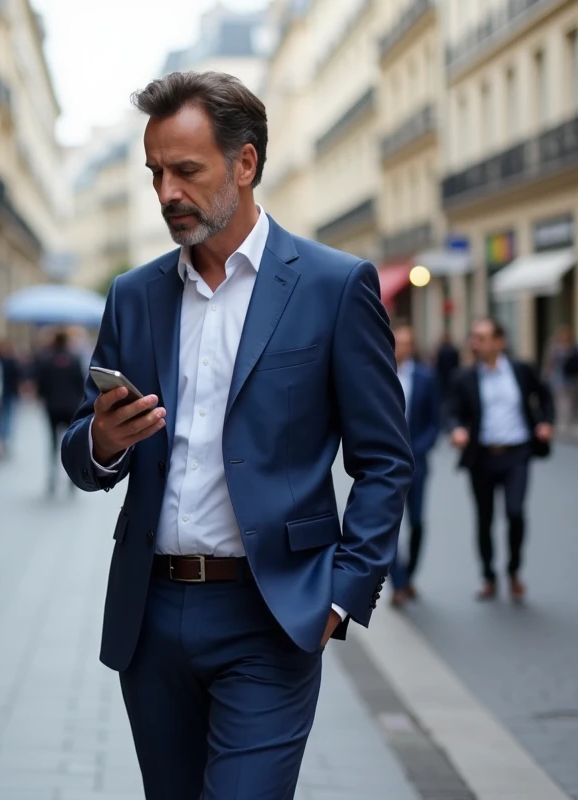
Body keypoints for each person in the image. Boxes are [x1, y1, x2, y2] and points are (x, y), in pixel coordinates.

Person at [60, 71, 412, 799]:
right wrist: (103, 440)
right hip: (150, 615)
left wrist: (344, 596)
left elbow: (384, 460)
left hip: (271, 614)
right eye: (155, 173)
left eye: (186, 170)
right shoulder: (134, 293)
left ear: (245, 163)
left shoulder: (333, 285)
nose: (166, 194)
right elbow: (80, 452)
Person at [448, 318, 554, 602]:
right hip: (482, 456)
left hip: (517, 453)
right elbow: (453, 411)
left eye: (481, 338)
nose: (475, 343)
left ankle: (513, 570)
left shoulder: (521, 371)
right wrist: (457, 429)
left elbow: (545, 395)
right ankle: (488, 576)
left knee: (515, 512)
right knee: (484, 520)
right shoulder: (464, 377)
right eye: (473, 337)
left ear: (499, 342)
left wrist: (545, 422)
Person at [388, 323, 442, 606]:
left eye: (409, 342)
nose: (404, 348)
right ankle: (397, 583)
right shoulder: (378, 374)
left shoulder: (426, 377)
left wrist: (418, 448)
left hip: (417, 462)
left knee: (418, 523)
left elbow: (436, 422)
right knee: (389, 526)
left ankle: (408, 577)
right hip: (385, 465)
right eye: (400, 342)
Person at [33, 329, 88, 494]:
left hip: (52, 407)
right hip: (71, 407)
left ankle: (52, 477)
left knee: (52, 443)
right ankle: (73, 478)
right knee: (72, 441)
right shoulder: (75, 359)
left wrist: (43, 397)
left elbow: (41, 385)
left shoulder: (46, 360)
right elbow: (81, 383)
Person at [544, 325, 578, 430]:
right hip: (567, 377)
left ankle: (564, 420)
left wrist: (546, 373)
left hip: (562, 376)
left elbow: (549, 362)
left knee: (562, 400)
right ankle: (568, 420)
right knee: (567, 400)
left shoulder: (557, 347)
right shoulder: (572, 347)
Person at [434, 330, 460, 418]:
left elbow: (437, 365)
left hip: (442, 376)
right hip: (451, 376)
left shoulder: (440, 350)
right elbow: (457, 364)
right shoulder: (454, 350)